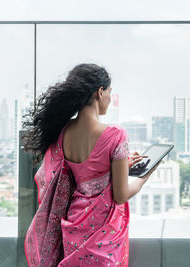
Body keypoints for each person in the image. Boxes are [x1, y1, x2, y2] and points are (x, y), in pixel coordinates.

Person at [22, 63, 158, 266]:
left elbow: (85, 175)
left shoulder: (64, 131)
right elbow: (120, 195)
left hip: (73, 225)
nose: (110, 99)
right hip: (104, 232)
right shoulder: (115, 135)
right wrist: (144, 176)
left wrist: (119, 168)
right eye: (110, 92)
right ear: (100, 92)